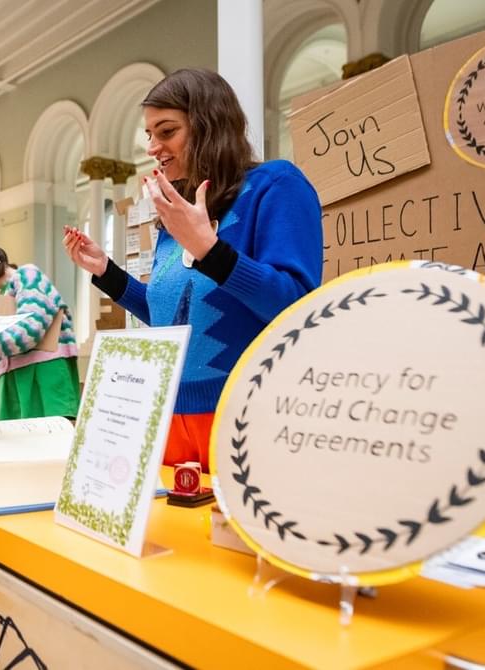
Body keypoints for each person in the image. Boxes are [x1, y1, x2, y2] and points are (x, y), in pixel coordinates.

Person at [64, 68, 323, 473]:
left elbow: (298, 306)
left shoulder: (275, 186)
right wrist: (109, 274)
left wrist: (210, 250)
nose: (153, 147)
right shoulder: (179, 218)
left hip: (246, 419)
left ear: (209, 125)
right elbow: (172, 317)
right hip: (168, 417)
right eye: (149, 135)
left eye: (166, 132)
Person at [0, 244, 80, 420]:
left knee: (49, 438)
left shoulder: (28, 275)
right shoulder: (3, 294)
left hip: (43, 372)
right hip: (17, 376)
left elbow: (32, 327)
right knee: (19, 441)